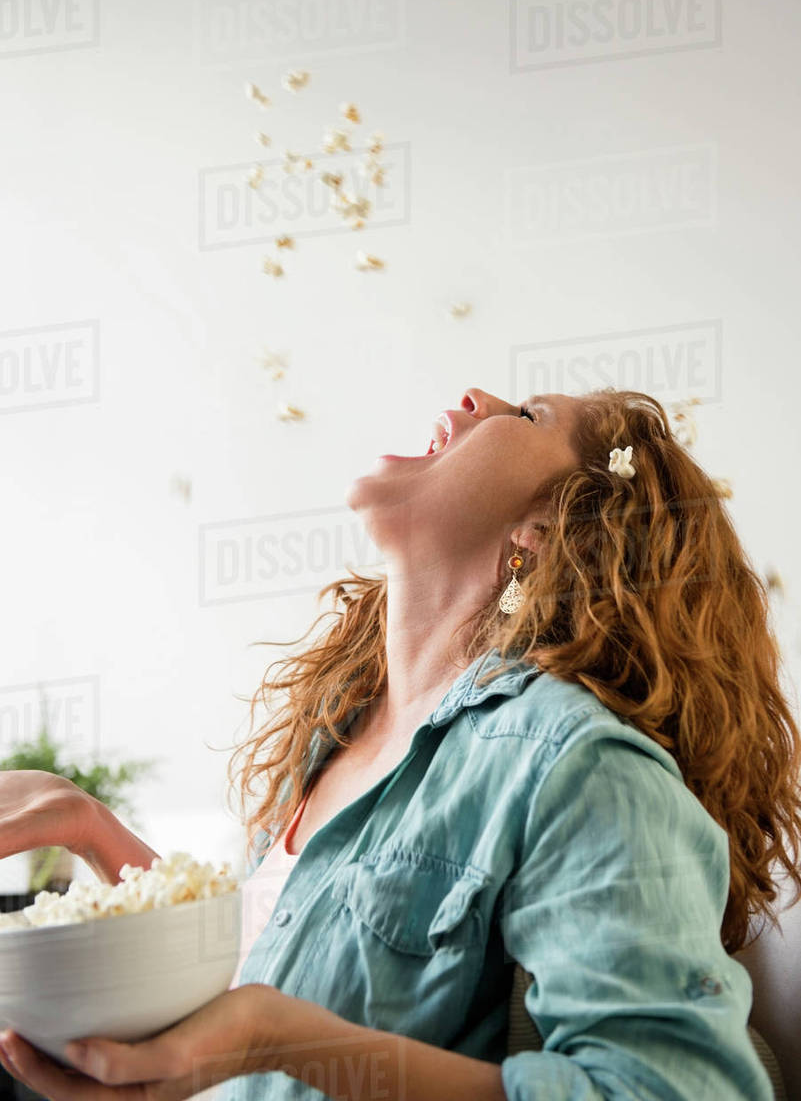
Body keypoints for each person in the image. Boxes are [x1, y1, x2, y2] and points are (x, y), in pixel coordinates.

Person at [1, 386, 800, 1101]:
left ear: (552, 526)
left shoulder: (574, 764)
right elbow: (248, 997)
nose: (475, 395)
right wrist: (90, 828)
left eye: (526, 415)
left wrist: (281, 1041)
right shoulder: (335, 739)